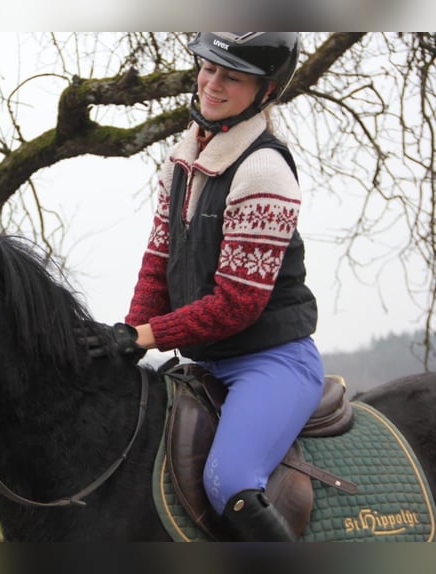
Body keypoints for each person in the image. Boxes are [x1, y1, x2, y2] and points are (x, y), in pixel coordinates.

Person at [88, 32, 325, 541]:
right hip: (209, 362)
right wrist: (127, 336)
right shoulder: (182, 161)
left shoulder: (264, 170)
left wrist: (146, 336)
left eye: (232, 77)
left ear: (265, 92)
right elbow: (157, 267)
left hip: (273, 361)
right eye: (208, 68)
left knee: (229, 483)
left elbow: (236, 304)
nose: (211, 84)